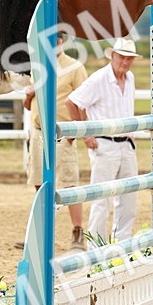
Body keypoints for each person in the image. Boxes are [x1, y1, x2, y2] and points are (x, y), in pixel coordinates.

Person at [15, 32, 89, 250]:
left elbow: (83, 101)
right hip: (38, 130)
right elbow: (28, 105)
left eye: (55, 39)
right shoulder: (38, 67)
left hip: (61, 132)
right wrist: (29, 95)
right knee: (39, 183)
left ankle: (78, 232)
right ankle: (41, 233)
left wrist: (76, 131)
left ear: (62, 41)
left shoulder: (74, 67)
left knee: (68, 182)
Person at [66, 37, 140, 245]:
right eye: (122, 58)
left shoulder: (130, 78)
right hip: (104, 144)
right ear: (113, 56)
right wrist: (85, 134)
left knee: (129, 198)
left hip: (127, 143)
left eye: (129, 59)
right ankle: (96, 247)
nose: (125, 62)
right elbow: (72, 102)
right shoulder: (99, 79)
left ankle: (121, 243)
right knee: (102, 199)